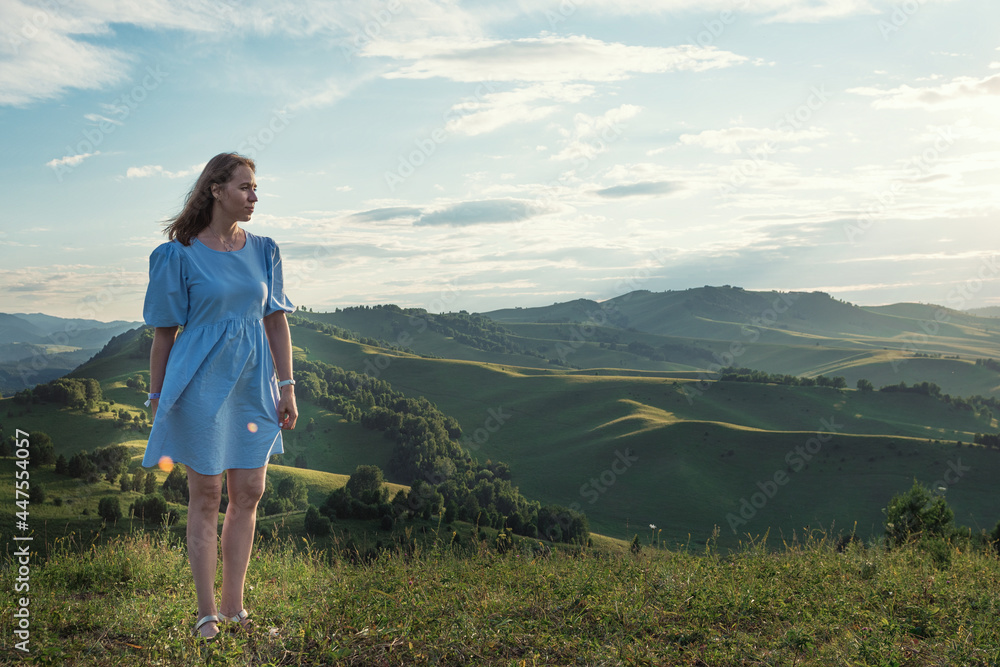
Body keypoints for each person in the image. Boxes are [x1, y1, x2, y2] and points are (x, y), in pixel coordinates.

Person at [141, 152, 298, 639]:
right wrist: (156, 395)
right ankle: (206, 613)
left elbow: (275, 320)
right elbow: (164, 333)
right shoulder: (178, 254)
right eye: (245, 187)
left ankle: (235, 608)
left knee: (249, 491)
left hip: (254, 383)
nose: (253, 197)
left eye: (256, 189)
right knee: (206, 494)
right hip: (199, 383)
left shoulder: (265, 249)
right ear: (215, 189)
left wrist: (288, 386)